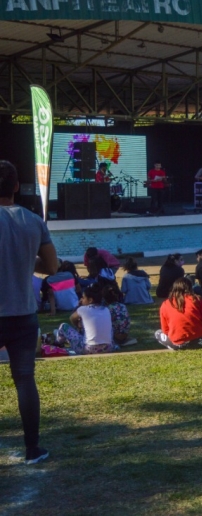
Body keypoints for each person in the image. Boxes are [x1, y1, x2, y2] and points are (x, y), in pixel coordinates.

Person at [0, 161, 58, 464]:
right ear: (16, 186)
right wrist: (25, 263)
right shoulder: (34, 221)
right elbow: (51, 266)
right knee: (24, 380)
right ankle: (33, 448)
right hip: (23, 313)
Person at [155, 278, 202, 350]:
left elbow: (165, 330)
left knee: (158, 333)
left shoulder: (165, 304)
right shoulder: (196, 299)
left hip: (177, 345)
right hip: (199, 342)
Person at [56, 284, 115, 355]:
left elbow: (72, 318)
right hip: (108, 348)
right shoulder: (106, 309)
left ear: (90, 300)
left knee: (63, 326)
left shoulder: (82, 309)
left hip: (89, 349)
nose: (81, 300)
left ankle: (58, 343)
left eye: (83, 298)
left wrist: (77, 325)